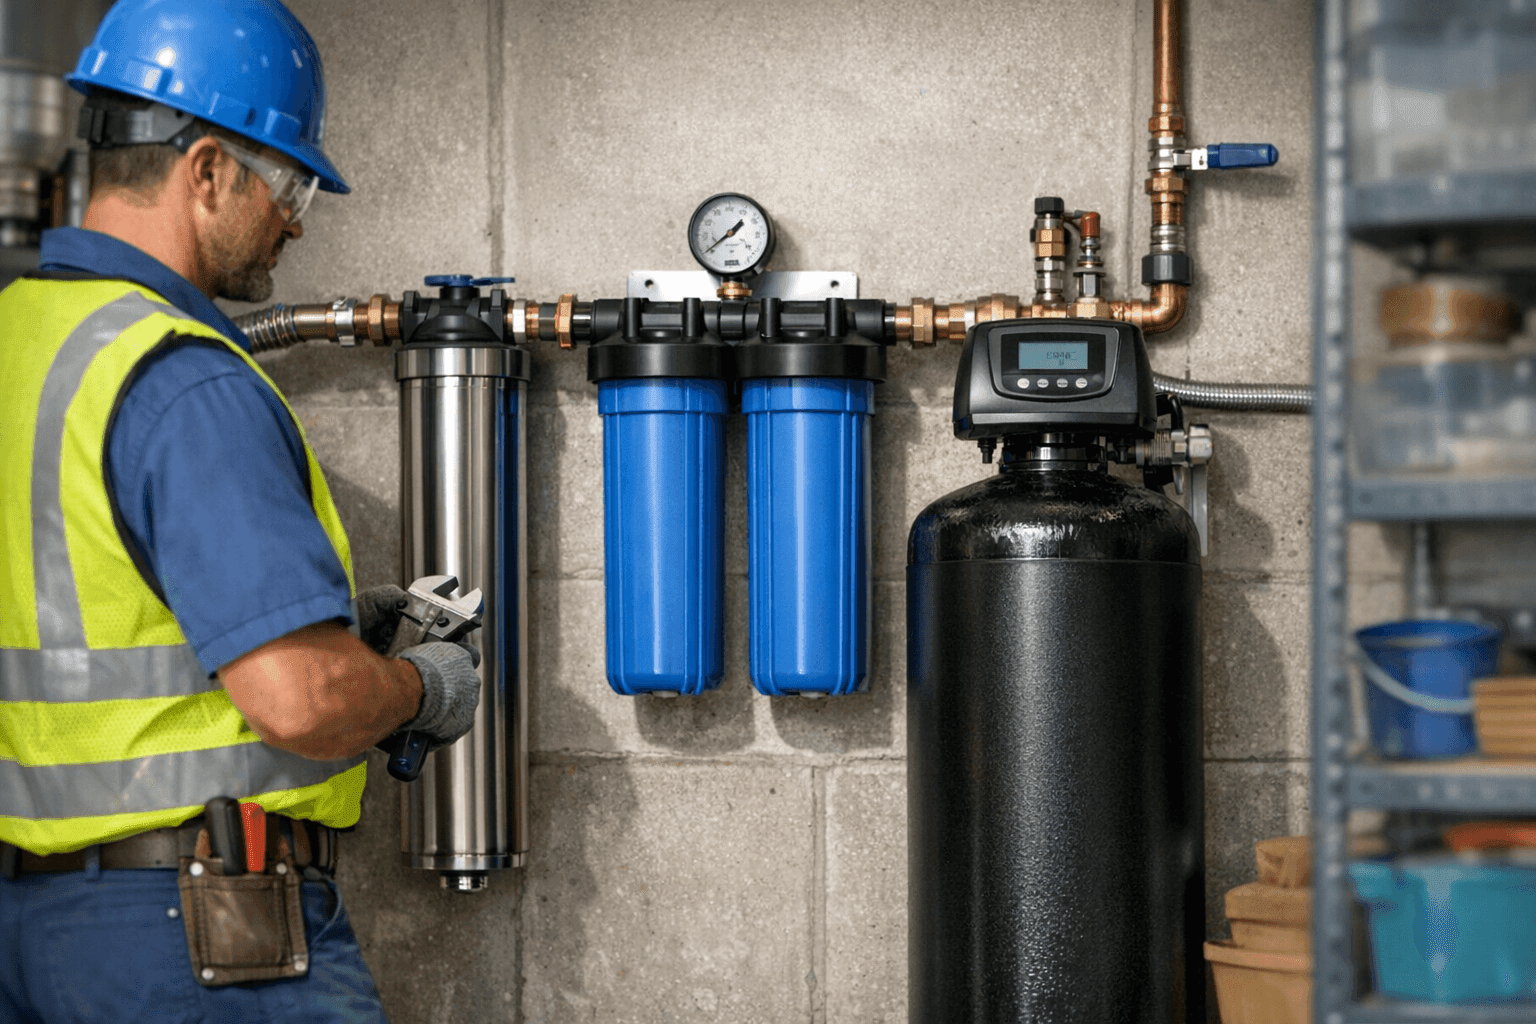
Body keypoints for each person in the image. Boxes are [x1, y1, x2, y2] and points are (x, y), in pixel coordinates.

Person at [0, 2, 480, 1020]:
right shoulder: (180, 379)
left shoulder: (23, 338)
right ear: (207, 168)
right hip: (203, 939)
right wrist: (416, 686)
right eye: (291, 183)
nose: (297, 220)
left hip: (37, 937)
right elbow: (301, 701)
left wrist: (326, 615)